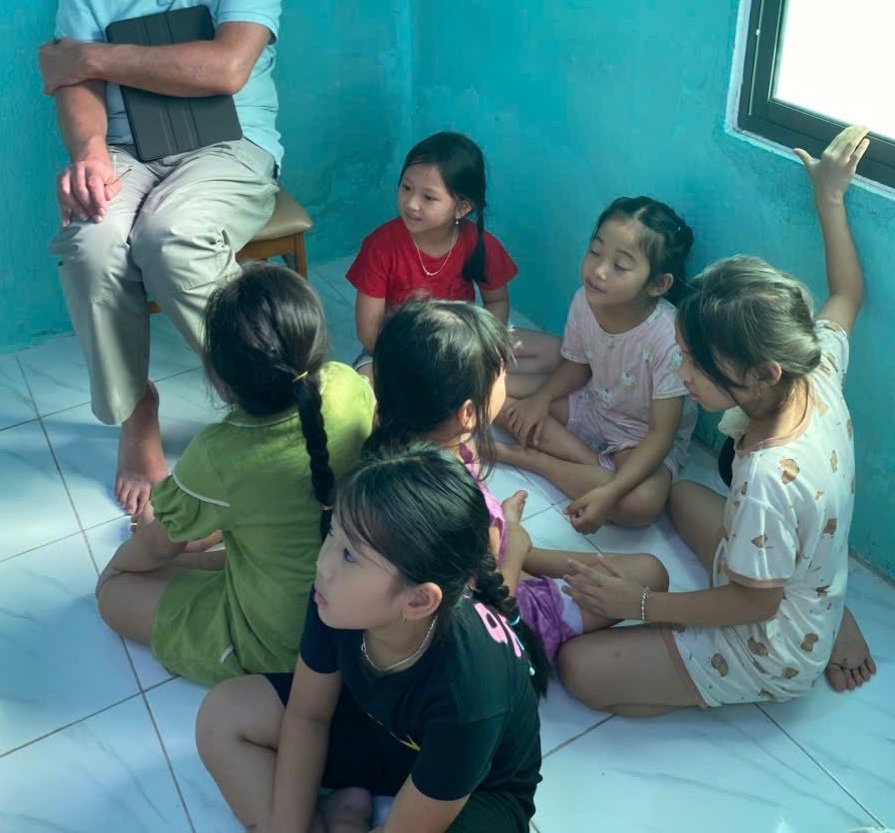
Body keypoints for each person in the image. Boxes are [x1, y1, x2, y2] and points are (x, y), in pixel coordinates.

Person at [556, 125, 874, 714]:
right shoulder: (816, 364)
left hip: (769, 640)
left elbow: (754, 605)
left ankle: (810, 639)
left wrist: (642, 605)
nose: (681, 370)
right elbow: (847, 293)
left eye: (697, 364)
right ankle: (830, 609)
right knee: (681, 495)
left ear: (761, 376)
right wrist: (829, 198)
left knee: (578, 669)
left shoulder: (767, 478)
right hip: (796, 580)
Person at [38, 0, 283, 523]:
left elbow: (225, 68)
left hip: (228, 141)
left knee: (171, 239)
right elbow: (65, 83)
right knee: (91, 241)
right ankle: (135, 408)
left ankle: (262, 403)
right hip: (124, 145)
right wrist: (87, 151)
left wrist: (95, 57)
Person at [196, 446, 546, 832]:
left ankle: (346, 814)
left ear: (417, 599)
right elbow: (308, 715)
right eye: (333, 534)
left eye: (349, 556)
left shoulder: (470, 688)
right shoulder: (337, 600)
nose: (323, 563)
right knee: (224, 714)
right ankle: (342, 813)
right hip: (383, 732)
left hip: (479, 789)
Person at [94, 264, 374, 685]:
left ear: (221, 380)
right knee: (215, 531)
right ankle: (210, 547)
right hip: (362, 609)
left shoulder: (220, 453)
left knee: (113, 596)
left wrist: (115, 570)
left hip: (280, 641)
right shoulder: (346, 384)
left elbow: (156, 546)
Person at [369, 300, 668, 663]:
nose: (506, 385)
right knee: (650, 573)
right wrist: (515, 544)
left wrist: (507, 532)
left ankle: (527, 554)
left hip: (476, 572)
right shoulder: (456, 502)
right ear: (467, 413)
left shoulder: (387, 450)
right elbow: (492, 605)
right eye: (500, 378)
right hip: (498, 618)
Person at [498, 196, 696, 534]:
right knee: (496, 396)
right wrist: (540, 400)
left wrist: (612, 492)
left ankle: (533, 459)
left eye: (620, 266)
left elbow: (662, 435)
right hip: (594, 404)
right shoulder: (585, 300)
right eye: (595, 252)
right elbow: (577, 366)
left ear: (658, 284)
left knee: (642, 503)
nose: (599, 270)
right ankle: (590, 466)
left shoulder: (669, 336)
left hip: (642, 436)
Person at [346, 132, 517, 374]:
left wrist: (481, 346)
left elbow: (497, 301)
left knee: (550, 352)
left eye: (428, 197)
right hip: (397, 351)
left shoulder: (481, 244)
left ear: (462, 207)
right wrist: (421, 363)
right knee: (365, 382)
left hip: (457, 347)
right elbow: (367, 331)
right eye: (406, 188)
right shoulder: (380, 246)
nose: (411, 203)